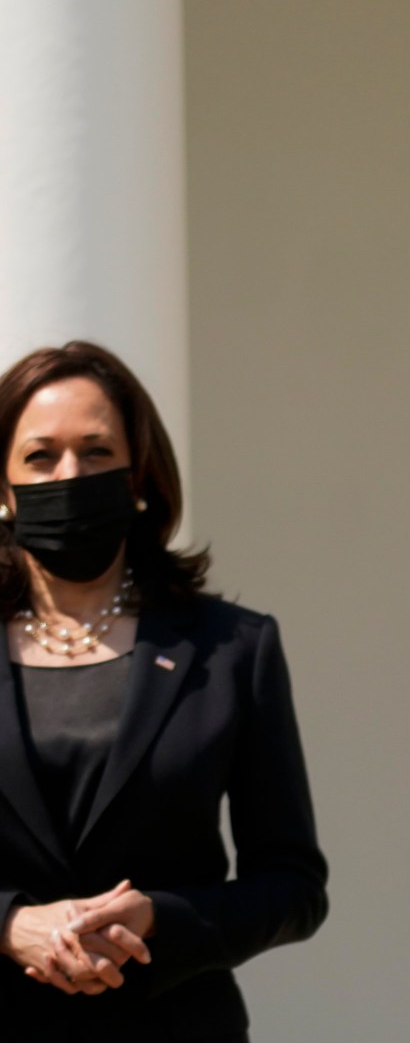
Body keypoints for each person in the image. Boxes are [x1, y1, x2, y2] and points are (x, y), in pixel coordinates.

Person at [0, 342, 327, 1040]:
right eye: (39, 456)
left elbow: (295, 887)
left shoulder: (232, 648)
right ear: (2, 488)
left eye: (95, 452)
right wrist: (10, 924)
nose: (69, 474)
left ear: (137, 476)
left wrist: (160, 919)